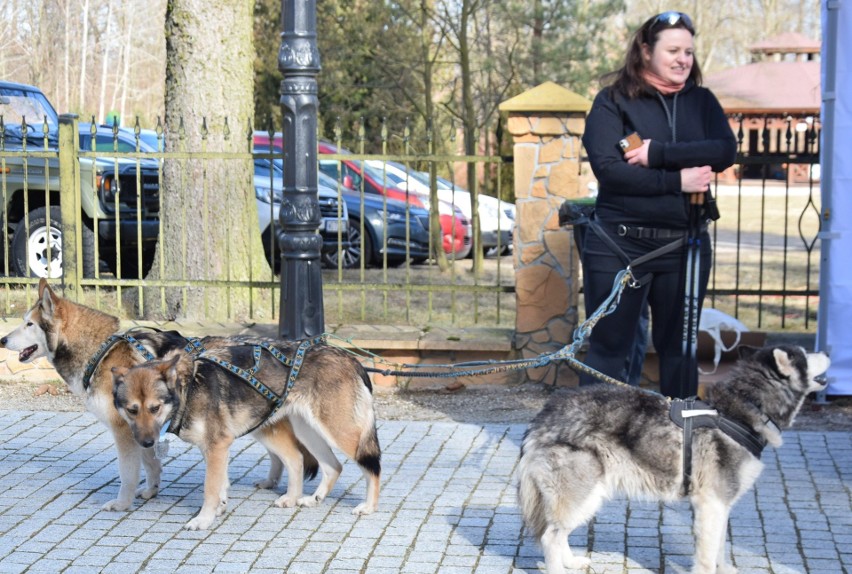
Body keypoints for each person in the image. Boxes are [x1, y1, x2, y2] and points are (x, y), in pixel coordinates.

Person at [579, 11, 737, 398]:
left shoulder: (701, 101)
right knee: (608, 349)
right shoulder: (612, 102)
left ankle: (679, 439)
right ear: (646, 50)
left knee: (680, 351)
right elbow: (611, 171)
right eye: (673, 50)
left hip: (684, 246)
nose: (684, 59)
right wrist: (678, 179)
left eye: (688, 51)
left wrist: (659, 153)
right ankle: (589, 440)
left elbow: (723, 150)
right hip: (618, 246)